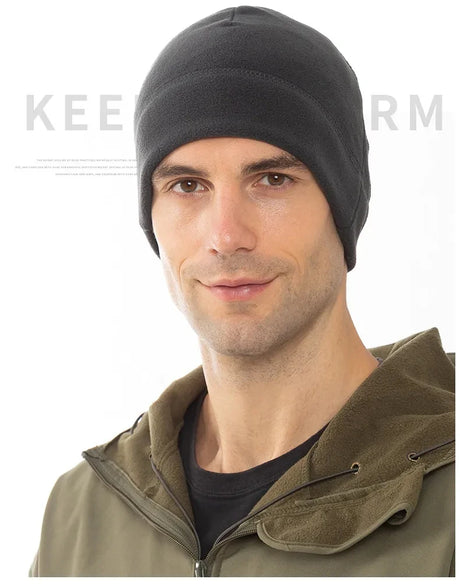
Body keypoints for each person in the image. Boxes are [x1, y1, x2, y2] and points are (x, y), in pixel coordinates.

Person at [30, 6, 454, 577]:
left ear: (344, 204)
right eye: (187, 185)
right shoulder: (81, 515)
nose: (226, 236)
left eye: (272, 179)